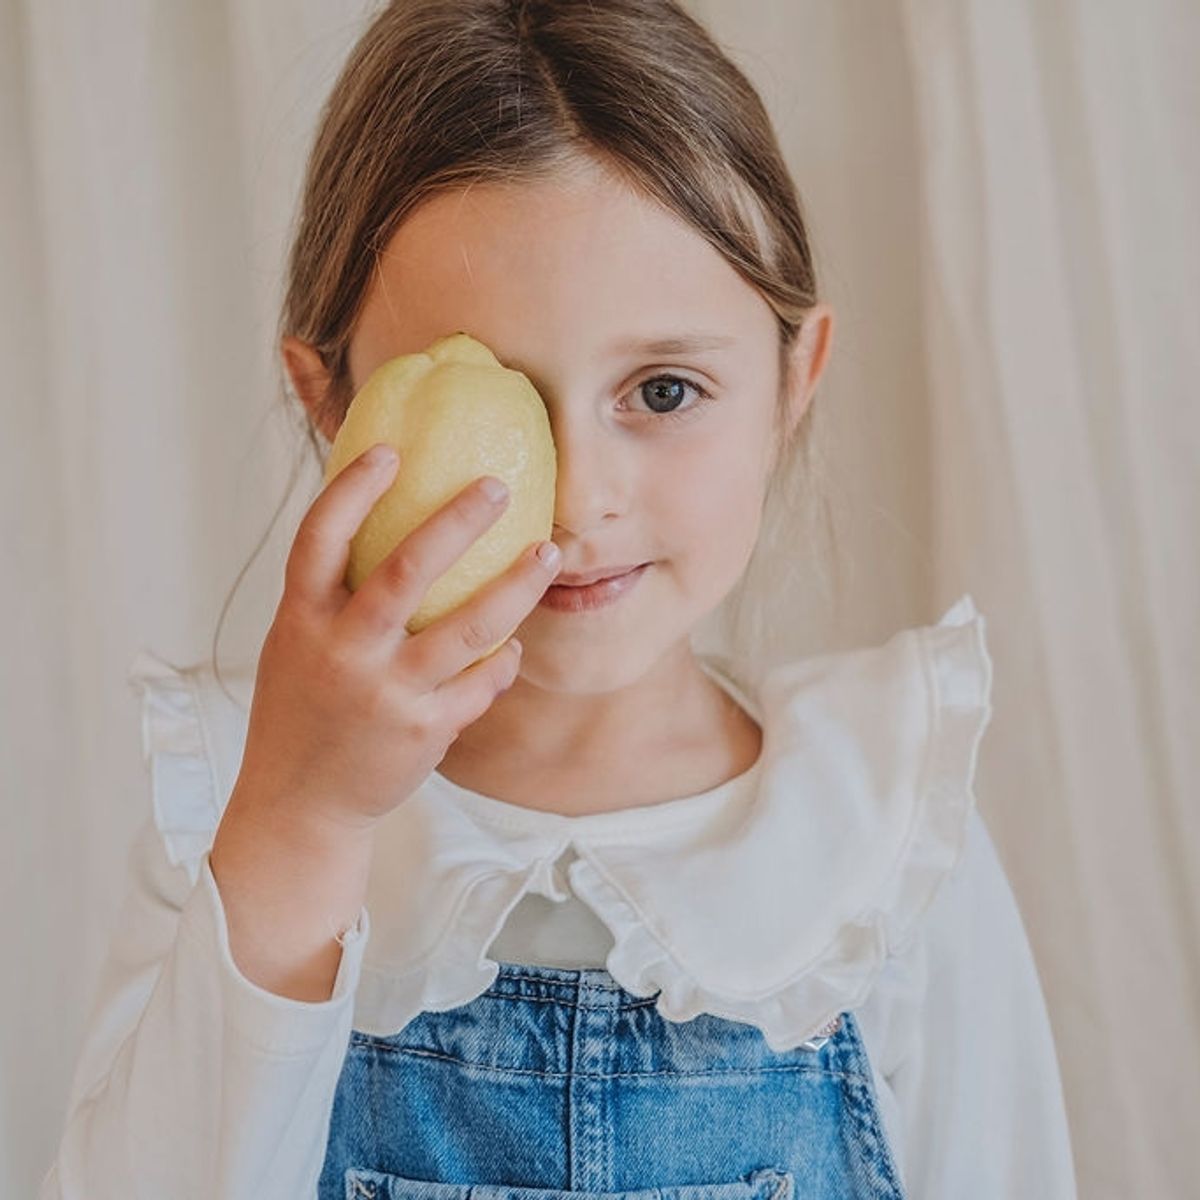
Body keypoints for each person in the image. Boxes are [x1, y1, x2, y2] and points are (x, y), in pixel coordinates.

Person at [40, 1, 1077, 1197]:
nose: (579, 500)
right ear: (333, 408)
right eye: (498, 396)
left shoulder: (887, 834)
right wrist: (302, 821)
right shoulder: (236, 798)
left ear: (796, 380)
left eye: (667, 391)